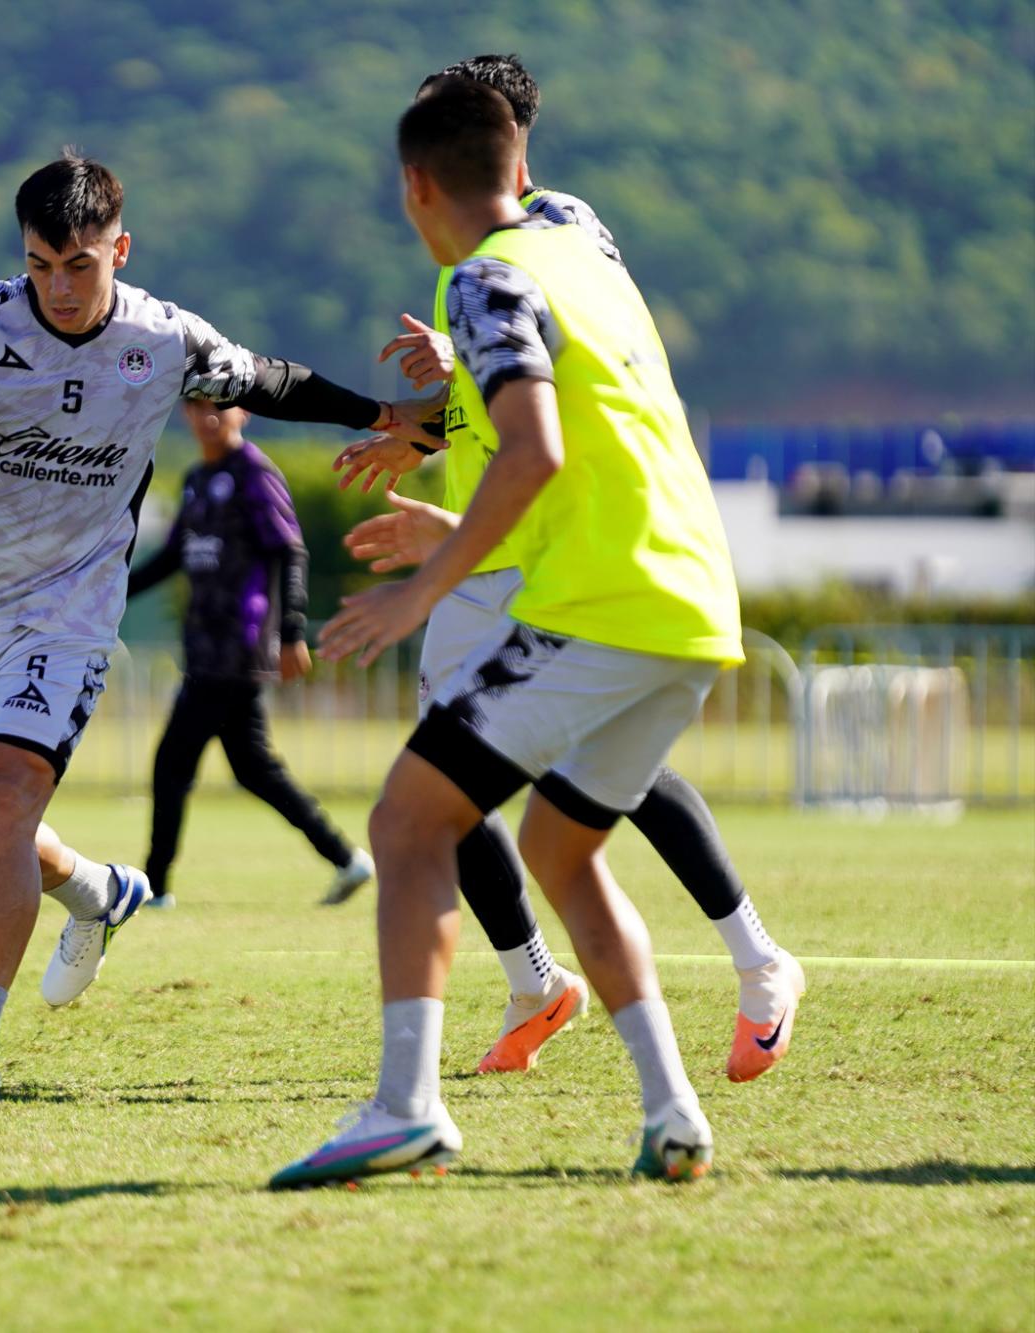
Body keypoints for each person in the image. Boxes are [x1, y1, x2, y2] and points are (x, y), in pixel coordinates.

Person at [0, 151, 431, 1103]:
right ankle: (99, 891)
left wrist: (395, 415)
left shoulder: (165, 337)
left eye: (81, 264)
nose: (59, 286)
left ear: (119, 250)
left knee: (9, 793)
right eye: (40, 265)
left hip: (71, 607)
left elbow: (271, 380)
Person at [271, 78, 743, 1186]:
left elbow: (532, 451)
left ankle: (403, 1106)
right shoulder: (584, 252)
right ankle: (672, 1112)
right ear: (522, 173)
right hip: (692, 601)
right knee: (557, 850)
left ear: (413, 189)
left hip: (601, 602)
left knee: (404, 823)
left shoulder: (480, 280)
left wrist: (424, 583)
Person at [333, 53, 803, 1086]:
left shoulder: (531, 244)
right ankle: (614, 1029)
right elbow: (515, 402)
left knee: (435, 799)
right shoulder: (509, 249)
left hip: (534, 547)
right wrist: (421, 430)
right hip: (513, 539)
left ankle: (491, 1034)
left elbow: (546, 416)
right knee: (547, 793)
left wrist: (428, 565)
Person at [127, 400, 375, 912]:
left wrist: (292, 631)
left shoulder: (254, 473)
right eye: (195, 405)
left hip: (239, 644)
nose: (206, 415)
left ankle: (156, 887)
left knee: (172, 762)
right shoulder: (197, 477)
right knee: (253, 768)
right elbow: (174, 554)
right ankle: (346, 857)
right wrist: (113, 591)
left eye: (219, 405)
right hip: (204, 645)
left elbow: (291, 550)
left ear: (244, 412)